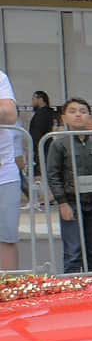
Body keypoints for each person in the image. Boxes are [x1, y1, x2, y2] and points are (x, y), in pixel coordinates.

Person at [47, 99, 92, 272]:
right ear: (64, 117)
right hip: (71, 202)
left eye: (83, 111)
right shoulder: (58, 144)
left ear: (89, 116)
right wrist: (62, 202)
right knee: (73, 251)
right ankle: (72, 288)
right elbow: (53, 175)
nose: (78, 114)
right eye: (73, 111)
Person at [0, 69, 19, 270]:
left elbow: (9, 114)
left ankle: (10, 291)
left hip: (3, 172)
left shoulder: (0, 77)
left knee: (6, 237)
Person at [26, 90, 57, 208]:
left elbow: (37, 133)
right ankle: (47, 196)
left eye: (34, 99)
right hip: (45, 146)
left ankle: (47, 196)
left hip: (41, 147)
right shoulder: (49, 113)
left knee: (40, 172)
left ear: (40, 99)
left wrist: (34, 149)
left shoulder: (41, 114)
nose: (32, 101)